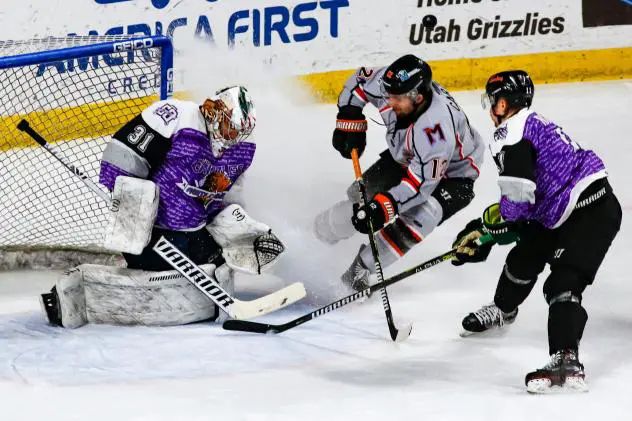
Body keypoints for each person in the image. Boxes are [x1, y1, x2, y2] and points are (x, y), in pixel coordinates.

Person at [39, 86, 286, 328]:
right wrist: (134, 210)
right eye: (230, 127)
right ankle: (72, 293)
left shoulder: (242, 149)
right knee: (161, 281)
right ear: (214, 111)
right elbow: (120, 158)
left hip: (196, 229)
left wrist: (243, 233)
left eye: (238, 131)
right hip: (153, 230)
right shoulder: (176, 117)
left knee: (215, 270)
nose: (233, 136)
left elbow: (226, 200)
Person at [451, 70, 622, 393]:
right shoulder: (528, 122)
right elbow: (525, 199)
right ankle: (503, 310)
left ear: (506, 104)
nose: (491, 109)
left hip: (591, 213)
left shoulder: (513, 134)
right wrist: (488, 228)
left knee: (563, 283)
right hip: (558, 209)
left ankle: (565, 359)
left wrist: (491, 230)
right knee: (525, 256)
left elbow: (516, 201)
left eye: (495, 102)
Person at [313, 54, 484, 291]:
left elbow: (417, 187)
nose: (388, 102)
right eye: (388, 94)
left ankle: (360, 270)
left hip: (454, 176)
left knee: (421, 216)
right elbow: (359, 83)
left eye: (396, 98)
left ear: (419, 97)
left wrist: (384, 207)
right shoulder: (393, 87)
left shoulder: (435, 132)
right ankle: (318, 232)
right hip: (407, 157)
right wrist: (349, 117)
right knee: (360, 202)